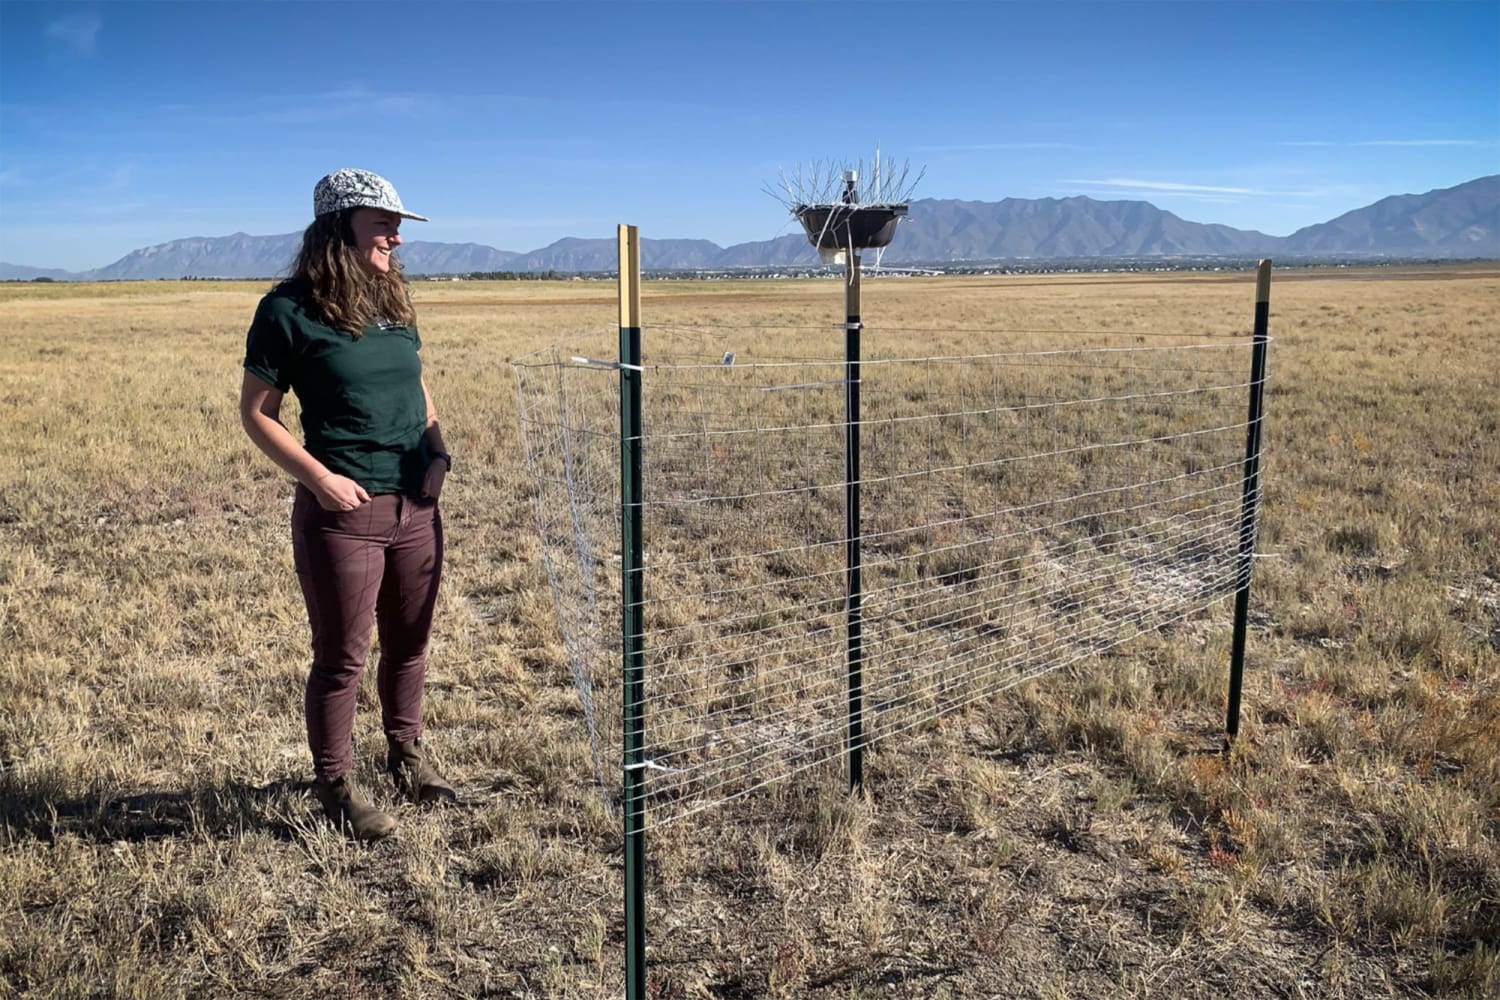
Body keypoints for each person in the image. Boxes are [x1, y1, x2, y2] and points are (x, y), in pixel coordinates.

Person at [240, 168, 456, 841]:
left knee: (410, 643)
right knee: (342, 658)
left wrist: (437, 448)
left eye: (397, 225)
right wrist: (318, 479)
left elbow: (417, 391)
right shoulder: (287, 310)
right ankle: (333, 788)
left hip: (415, 504)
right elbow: (257, 414)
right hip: (345, 514)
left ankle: (407, 757)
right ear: (339, 228)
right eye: (383, 223)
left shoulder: (395, 301)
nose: (396, 236)